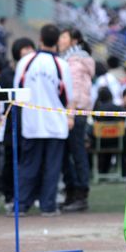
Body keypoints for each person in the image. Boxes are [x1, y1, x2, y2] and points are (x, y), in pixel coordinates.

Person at [13, 24, 73, 216]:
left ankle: (21, 206)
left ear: (40, 38)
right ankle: (47, 206)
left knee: (29, 165)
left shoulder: (26, 62)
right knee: (52, 167)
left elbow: (17, 90)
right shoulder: (61, 65)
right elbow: (67, 95)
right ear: (57, 42)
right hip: (55, 123)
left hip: (32, 122)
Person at [58, 28, 95, 211]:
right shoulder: (71, 59)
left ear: (74, 40)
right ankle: (73, 193)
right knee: (70, 154)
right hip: (72, 113)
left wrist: (70, 114)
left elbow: (75, 92)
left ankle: (80, 195)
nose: (60, 39)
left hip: (74, 113)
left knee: (76, 154)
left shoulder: (74, 61)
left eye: (64, 36)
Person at [0, 37, 35, 211]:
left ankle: (28, 195)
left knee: (28, 161)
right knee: (11, 161)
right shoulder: (8, 74)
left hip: (31, 124)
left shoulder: (34, 71)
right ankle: (9, 195)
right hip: (12, 124)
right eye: (25, 51)